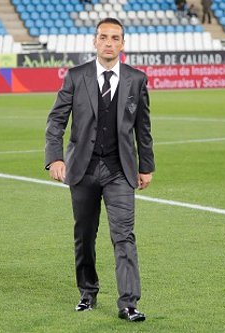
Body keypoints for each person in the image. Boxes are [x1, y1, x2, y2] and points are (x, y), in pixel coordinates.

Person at [45, 17, 155, 322]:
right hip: (83, 169)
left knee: (124, 235)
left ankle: (128, 303)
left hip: (120, 170)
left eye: (115, 38)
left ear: (123, 43)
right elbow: (56, 121)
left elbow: (143, 128)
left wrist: (146, 166)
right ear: (95, 42)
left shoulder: (136, 79)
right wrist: (55, 158)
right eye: (103, 37)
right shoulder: (76, 76)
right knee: (85, 235)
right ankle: (88, 292)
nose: (109, 43)